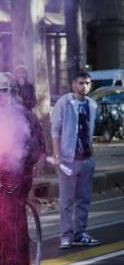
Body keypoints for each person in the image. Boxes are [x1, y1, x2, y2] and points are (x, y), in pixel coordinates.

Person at [0, 72, 44, 265]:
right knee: (7, 225)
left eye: (3, 90)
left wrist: (18, 166)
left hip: (17, 176)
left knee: (10, 227)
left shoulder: (23, 116)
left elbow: (35, 148)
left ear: (12, 92)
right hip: (1, 177)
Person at [51, 71, 100, 249]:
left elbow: (89, 132)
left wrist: (92, 157)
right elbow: (55, 130)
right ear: (73, 84)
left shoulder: (92, 105)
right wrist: (57, 156)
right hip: (67, 159)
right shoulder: (64, 102)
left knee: (84, 199)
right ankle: (66, 235)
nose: (84, 86)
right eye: (80, 83)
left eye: (87, 83)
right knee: (66, 200)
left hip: (86, 158)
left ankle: (81, 233)